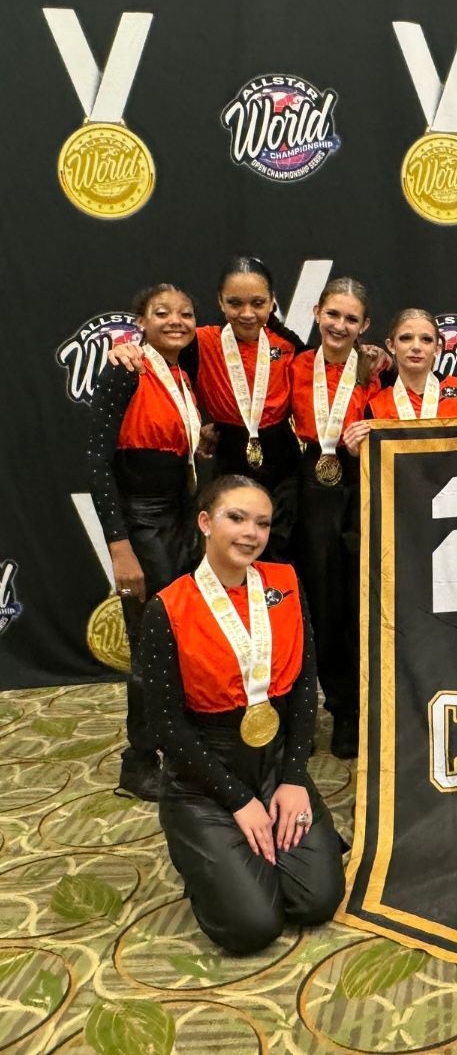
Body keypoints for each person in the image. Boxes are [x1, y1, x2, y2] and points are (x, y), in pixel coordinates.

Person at [141, 476, 344, 953]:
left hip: (274, 767)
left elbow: (301, 690)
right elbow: (167, 726)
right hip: (204, 779)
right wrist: (237, 799)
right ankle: (205, 854)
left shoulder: (286, 584)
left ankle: (252, 857)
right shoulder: (167, 608)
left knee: (317, 900)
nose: (251, 533)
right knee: (254, 925)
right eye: (236, 518)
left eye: (263, 522)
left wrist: (293, 777)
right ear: (205, 522)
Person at [106, 257, 304, 561]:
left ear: (272, 303)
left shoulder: (288, 345)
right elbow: (160, 356)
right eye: (235, 303)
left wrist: (373, 359)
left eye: (258, 303)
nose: (247, 313)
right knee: (226, 557)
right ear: (221, 302)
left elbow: (330, 373)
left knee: (282, 558)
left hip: (284, 468)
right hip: (226, 462)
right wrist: (127, 346)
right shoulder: (199, 342)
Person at [88, 283, 202, 801]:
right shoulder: (124, 368)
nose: (175, 320)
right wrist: (119, 544)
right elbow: (96, 462)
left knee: (182, 643)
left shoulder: (178, 373)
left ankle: (180, 748)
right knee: (151, 648)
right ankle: (137, 763)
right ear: (141, 321)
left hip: (181, 521)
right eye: (162, 313)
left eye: (185, 313)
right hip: (142, 524)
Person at [290, 278, 381, 759]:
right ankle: (327, 708)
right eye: (333, 315)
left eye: (351, 318)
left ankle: (361, 708)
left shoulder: (375, 370)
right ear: (316, 312)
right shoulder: (293, 365)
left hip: (362, 481)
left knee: (357, 600)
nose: (340, 325)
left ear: (364, 326)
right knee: (319, 603)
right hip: (310, 483)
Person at [350, 309, 457, 443]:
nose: (416, 347)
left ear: (437, 348)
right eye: (406, 338)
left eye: (426, 339)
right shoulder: (377, 405)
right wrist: (356, 452)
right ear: (391, 345)